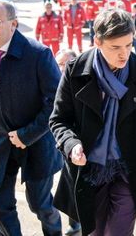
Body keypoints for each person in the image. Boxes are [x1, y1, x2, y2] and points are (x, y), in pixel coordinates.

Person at [49, 8, 136, 236]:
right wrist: (72, 145)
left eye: (129, 45)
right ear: (97, 42)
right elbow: (58, 120)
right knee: (94, 232)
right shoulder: (75, 71)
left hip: (130, 168)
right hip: (89, 169)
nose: (124, 54)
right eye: (115, 47)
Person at [0, 0, 63, 236]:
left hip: (36, 141)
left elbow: (57, 102)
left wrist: (26, 134)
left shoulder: (38, 54)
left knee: (40, 204)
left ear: (13, 24)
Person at [53, 49, 82, 236]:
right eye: (60, 64)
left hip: (74, 145)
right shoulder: (52, 80)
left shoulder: (80, 81)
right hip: (54, 140)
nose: (63, 68)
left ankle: (76, 221)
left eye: (66, 63)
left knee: (74, 184)